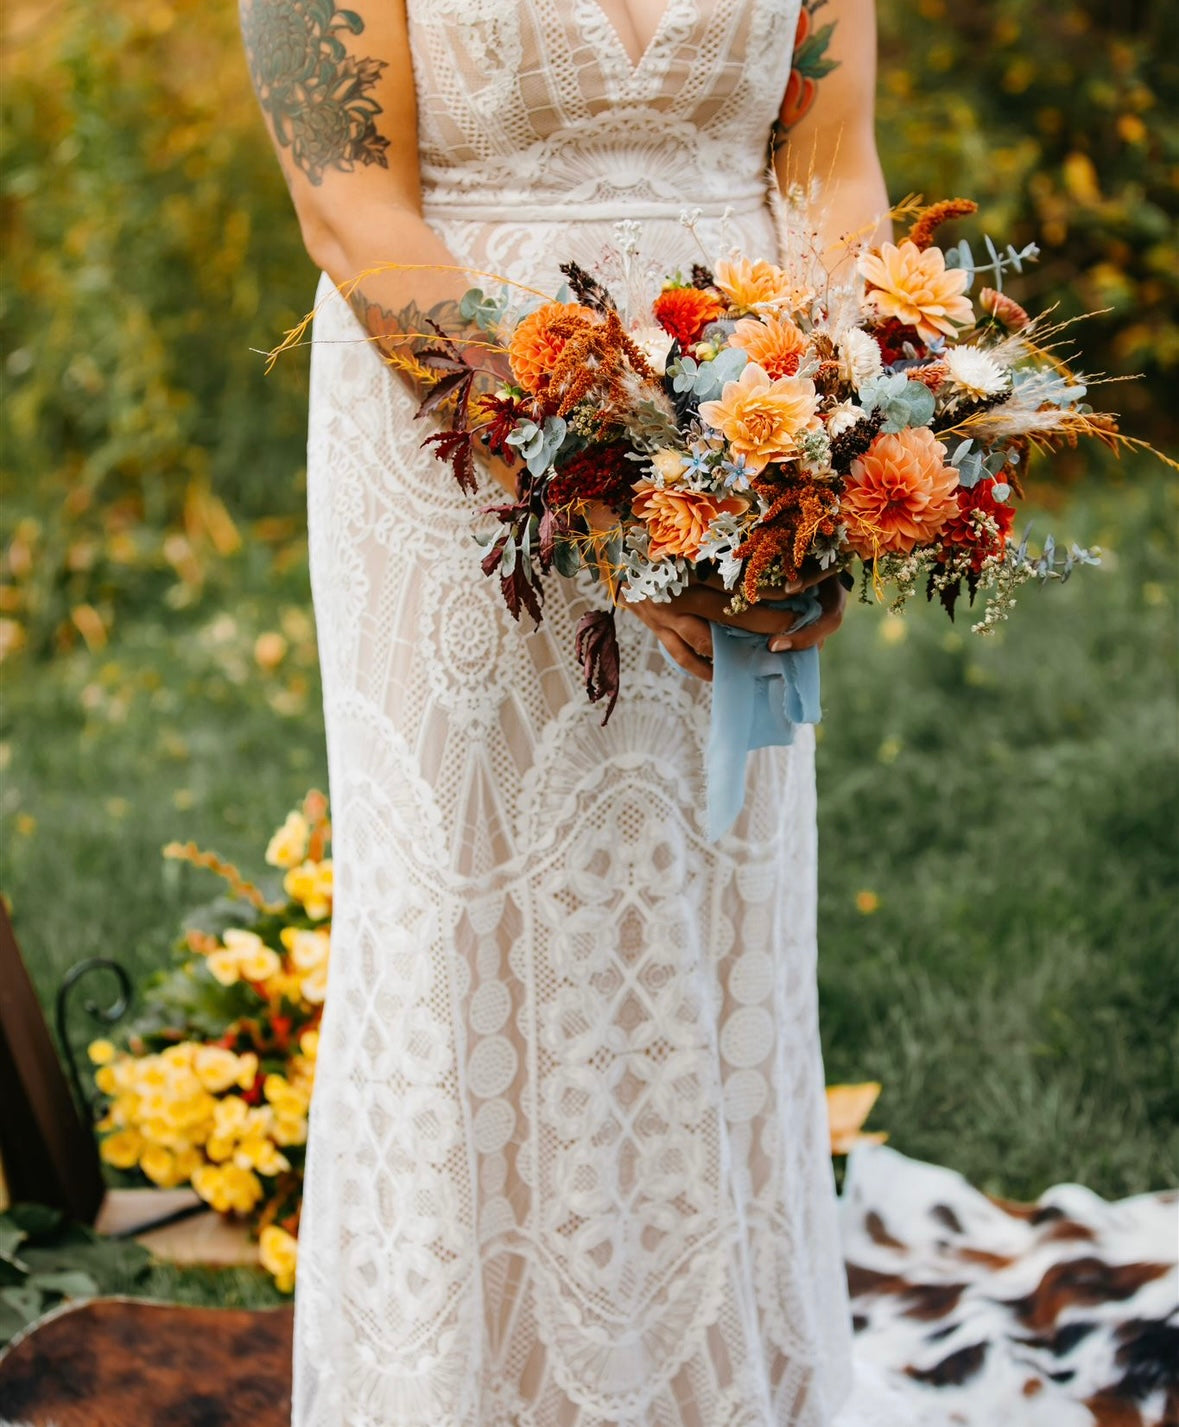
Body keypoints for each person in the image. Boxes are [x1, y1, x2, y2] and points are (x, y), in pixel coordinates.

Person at [240, 0, 892, 1421]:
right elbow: (355, 214)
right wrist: (604, 487)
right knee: (470, 929)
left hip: (745, 438)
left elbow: (830, 164)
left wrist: (845, 452)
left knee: (712, 924)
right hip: (457, 460)